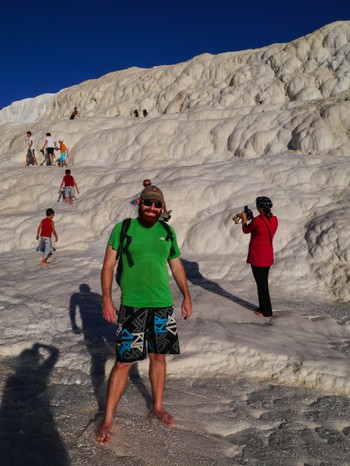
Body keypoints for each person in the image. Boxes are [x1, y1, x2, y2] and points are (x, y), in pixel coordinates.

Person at [95, 185, 192, 445]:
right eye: (148, 203)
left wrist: (186, 295)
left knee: (158, 356)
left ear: (163, 208)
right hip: (132, 306)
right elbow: (107, 265)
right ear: (140, 202)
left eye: (157, 205)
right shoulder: (123, 229)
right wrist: (107, 298)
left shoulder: (167, 231)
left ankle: (158, 406)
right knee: (124, 362)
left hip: (161, 305)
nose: (151, 208)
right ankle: (107, 420)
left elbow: (176, 265)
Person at [240, 196, 278, 318]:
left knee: (262, 285)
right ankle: (263, 307)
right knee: (263, 283)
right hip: (268, 256)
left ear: (260, 208)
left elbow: (246, 230)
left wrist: (245, 219)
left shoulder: (257, 221)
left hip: (258, 257)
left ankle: (267, 312)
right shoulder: (275, 220)